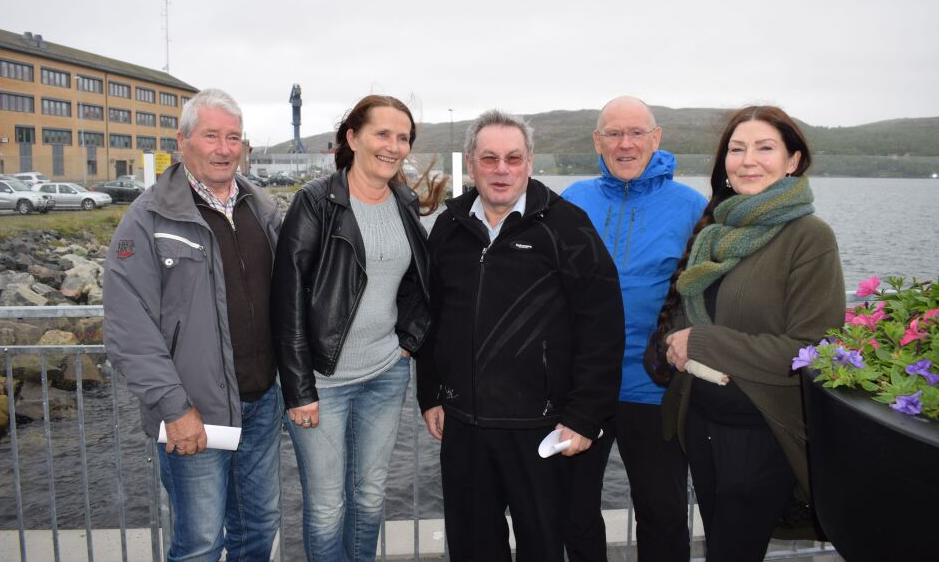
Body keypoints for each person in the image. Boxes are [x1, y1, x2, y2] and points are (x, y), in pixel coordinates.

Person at [416, 109, 625, 560]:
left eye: (513, 158)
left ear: (530, 162)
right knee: (473, 549)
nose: (502, 170)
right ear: (470, 164)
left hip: (541, 429)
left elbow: (603, 326)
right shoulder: (449, 229)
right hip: (465, 427)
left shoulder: (568, 228)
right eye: (489, 159)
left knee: (544, 548)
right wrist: (431, 392)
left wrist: (585, 415)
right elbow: (433, 319)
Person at [655, 106, 845, 561]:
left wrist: (700, 342)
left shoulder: (809, 237)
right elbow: (699, 311)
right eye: (737, 150)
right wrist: (677, 339)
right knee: (721, 541)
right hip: (700, 421)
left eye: (765, 148)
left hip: (759, 434)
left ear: (792, 161)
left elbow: (813, 349)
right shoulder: (716, 231)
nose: (748, 160)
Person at [103, 88, 284, 562]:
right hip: (193, 414)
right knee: (200, 543)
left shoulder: (260, 208)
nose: (225, 149)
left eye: (233, 138)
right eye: (211, 136)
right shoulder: (147, 219)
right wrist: (173, 408)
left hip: (261, 405)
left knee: (258, 531)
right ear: (182, 141)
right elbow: (128, 328)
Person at [271, 95, 441, 561]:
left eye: (402, 137)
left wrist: (408, 343)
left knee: (369, 496)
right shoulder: (316, 202)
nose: (393, 146)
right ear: (353, 137)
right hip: (324, 382)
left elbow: (416, 282)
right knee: (327, 506)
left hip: (385, 376)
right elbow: (287, 301)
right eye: (382, 134)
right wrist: (299, 389)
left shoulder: (404, 202)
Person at [562, 96, 706, 561]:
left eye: (636, 133)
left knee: (662, 513)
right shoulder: (573, 200)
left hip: (656, 386)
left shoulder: (690, 206)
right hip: (583, 388)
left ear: (656, 138)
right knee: (574, 511)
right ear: (597, 142)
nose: (625, 144)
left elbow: (709, 293)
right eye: (614, 134)